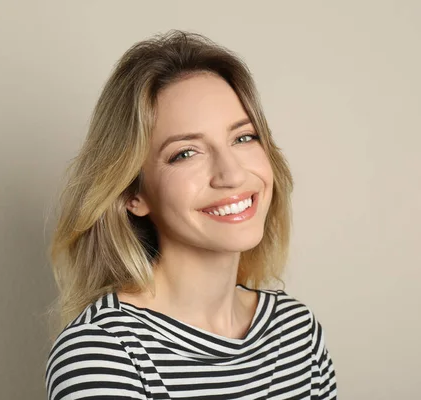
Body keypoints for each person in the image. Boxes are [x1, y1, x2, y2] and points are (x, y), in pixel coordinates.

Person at [44, 30, 337, 400]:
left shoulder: (298, 333)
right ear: (132, 194)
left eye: (243, 138)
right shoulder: (102, 353)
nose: (231, 175)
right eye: (186, 153)